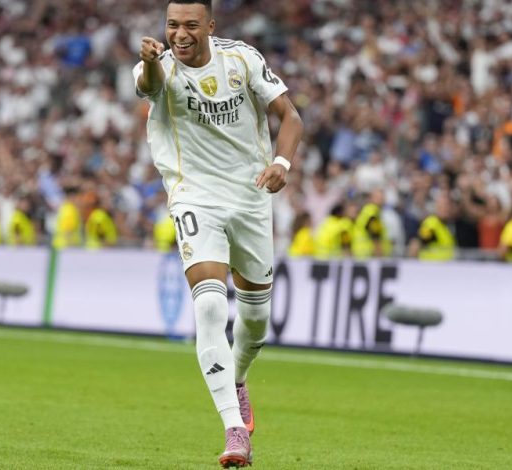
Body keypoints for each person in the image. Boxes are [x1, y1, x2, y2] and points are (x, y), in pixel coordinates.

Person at [134, 1, 303, 466]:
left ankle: (238, 377)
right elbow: (149, 87)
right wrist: (150, 62)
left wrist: (281, 163)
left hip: (251, 196)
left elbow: (291, 116)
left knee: (256, 320)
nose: (180, 34)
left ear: (210, 25)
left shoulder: (242, 59)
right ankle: (234, 431)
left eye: (190, 25)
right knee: (209, 304)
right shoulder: (157, 66)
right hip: (194, 196)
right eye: (172, 25)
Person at [408, 193, 456, 261]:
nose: (446, 209)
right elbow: (417, 243)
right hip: (431, 265)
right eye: (443, 206)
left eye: (448, 206)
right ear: (437, 206)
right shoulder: (431, 224)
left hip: (446, 265)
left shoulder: (448, 225)